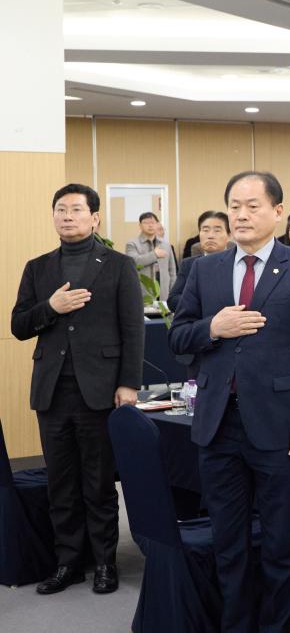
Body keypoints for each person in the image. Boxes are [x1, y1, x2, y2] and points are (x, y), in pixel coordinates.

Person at [169, 171, 290, 632]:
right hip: (218, 425)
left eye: (252, 206)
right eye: (234, 206)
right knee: (228, 541)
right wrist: (212, 328)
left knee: (280, 542)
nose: (241, 215)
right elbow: (178, 338)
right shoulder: (205, 268)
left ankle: (276, 625)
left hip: (279, 427)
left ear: (277, 212)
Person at [11, 183, 144, 595]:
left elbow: (133, 329)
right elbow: (19, 325)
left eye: (75, 209)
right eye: (60, 209)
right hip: (52, 391)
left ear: (95, 218)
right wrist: (51, 308)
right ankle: (68, 562)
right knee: (61, 482)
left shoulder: (119, 265)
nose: (67, 216)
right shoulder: (38, 267)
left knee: (98, 482)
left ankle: (104, 562)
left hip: (100, 390)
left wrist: (128, 384)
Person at [168, 210, 232, 313]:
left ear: (229, 235)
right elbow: (173, 301)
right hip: (197, 322)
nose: (210, 235)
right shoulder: (188, 264)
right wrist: (202, 302)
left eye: (217, 230)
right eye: (205, 230)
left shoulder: (237, 263)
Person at [125, 211, 177, 303]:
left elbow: (172, 270)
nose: (150, 225)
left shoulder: (165, 244)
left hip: (164, 294)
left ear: (157, 224)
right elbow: (134, 262)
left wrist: (173, 291)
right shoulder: (132, 244)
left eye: (153, 222)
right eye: (146, 223)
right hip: (142, 294)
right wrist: (154, 254)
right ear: (140, 226)